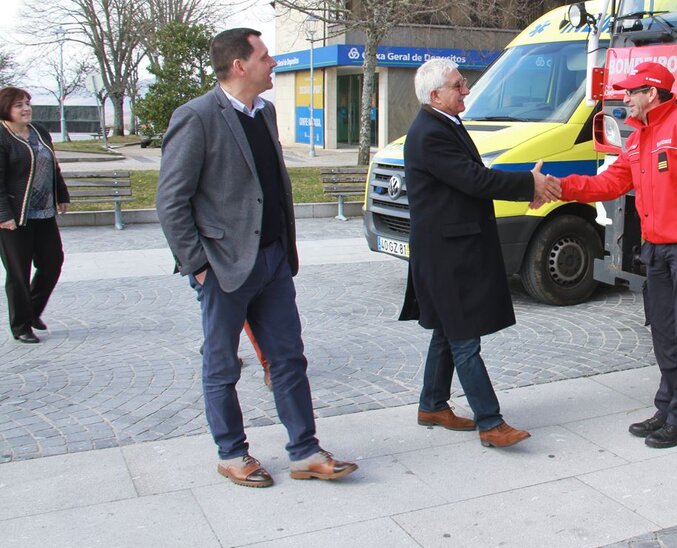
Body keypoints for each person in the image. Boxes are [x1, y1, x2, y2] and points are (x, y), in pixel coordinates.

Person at [157, 27, 356, 488]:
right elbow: (171, 202)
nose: (274, 63)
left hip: (272, 262)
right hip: (223, 268)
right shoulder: (197, 117)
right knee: (222, 364)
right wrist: (199, 266)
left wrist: (284, 251)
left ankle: (304, 451)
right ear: (239, 66)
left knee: (288, 358)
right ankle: (231, 453)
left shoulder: (264, 112)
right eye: (266, 57)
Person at [542, 61, 677, 448]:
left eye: (632, 92)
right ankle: (667, 407)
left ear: (651, 93)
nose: (625, 99)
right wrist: (560, 186)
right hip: (656, 250)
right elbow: (609, 183)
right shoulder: (637, 138)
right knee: (665, 332)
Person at [399, 58, 559, 448]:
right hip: (446, 256)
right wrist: (530, 184)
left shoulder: (443, 124)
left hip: (452, 250)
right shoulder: (429, 133)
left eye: (463, 82)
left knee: (446, 331)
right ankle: (491, 423)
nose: (466, 89)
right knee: (464, 338)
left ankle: (432, 404)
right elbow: (474, 179)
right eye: (458, 85)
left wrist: (529, 190)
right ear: (435, 95)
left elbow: (470, 182)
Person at [0, 87, 70, 344]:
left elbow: (53, 166)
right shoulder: (2, 136)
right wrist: (3, 214)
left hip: (44, 213)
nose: (26, 108)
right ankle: (21, 325)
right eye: (19, 105)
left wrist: (62, 194)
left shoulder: (39, 131)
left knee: (52, 263)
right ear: (6, 108)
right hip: (14, 218)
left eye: (27, 103)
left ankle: (32, 311)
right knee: (19, 272)